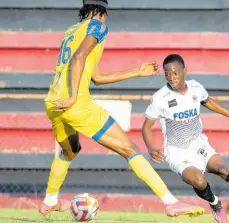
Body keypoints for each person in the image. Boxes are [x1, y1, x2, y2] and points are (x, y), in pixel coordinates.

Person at [39, 1, 205, 218]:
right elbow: (79, 57)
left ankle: (50, 202)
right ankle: (170, 202)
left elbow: (96, 77)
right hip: (76, 103)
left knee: (70, 151)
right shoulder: (97, 26)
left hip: (53, 103)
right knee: (130, 149)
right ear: (102, 11)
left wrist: (137, 72)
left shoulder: (72, 30)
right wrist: (72, 98)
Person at [142, 54, 229, 222]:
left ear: (185, 71)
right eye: (167, 74)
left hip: (198, 145)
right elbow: (146, 127)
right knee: (199, 181)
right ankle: (215, 203)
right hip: (177, 153)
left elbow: (208, 101)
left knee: (224, 170)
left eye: (175, 73)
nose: (171, 77)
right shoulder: (160, 98)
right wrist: (151, 148)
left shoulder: (195, 88)